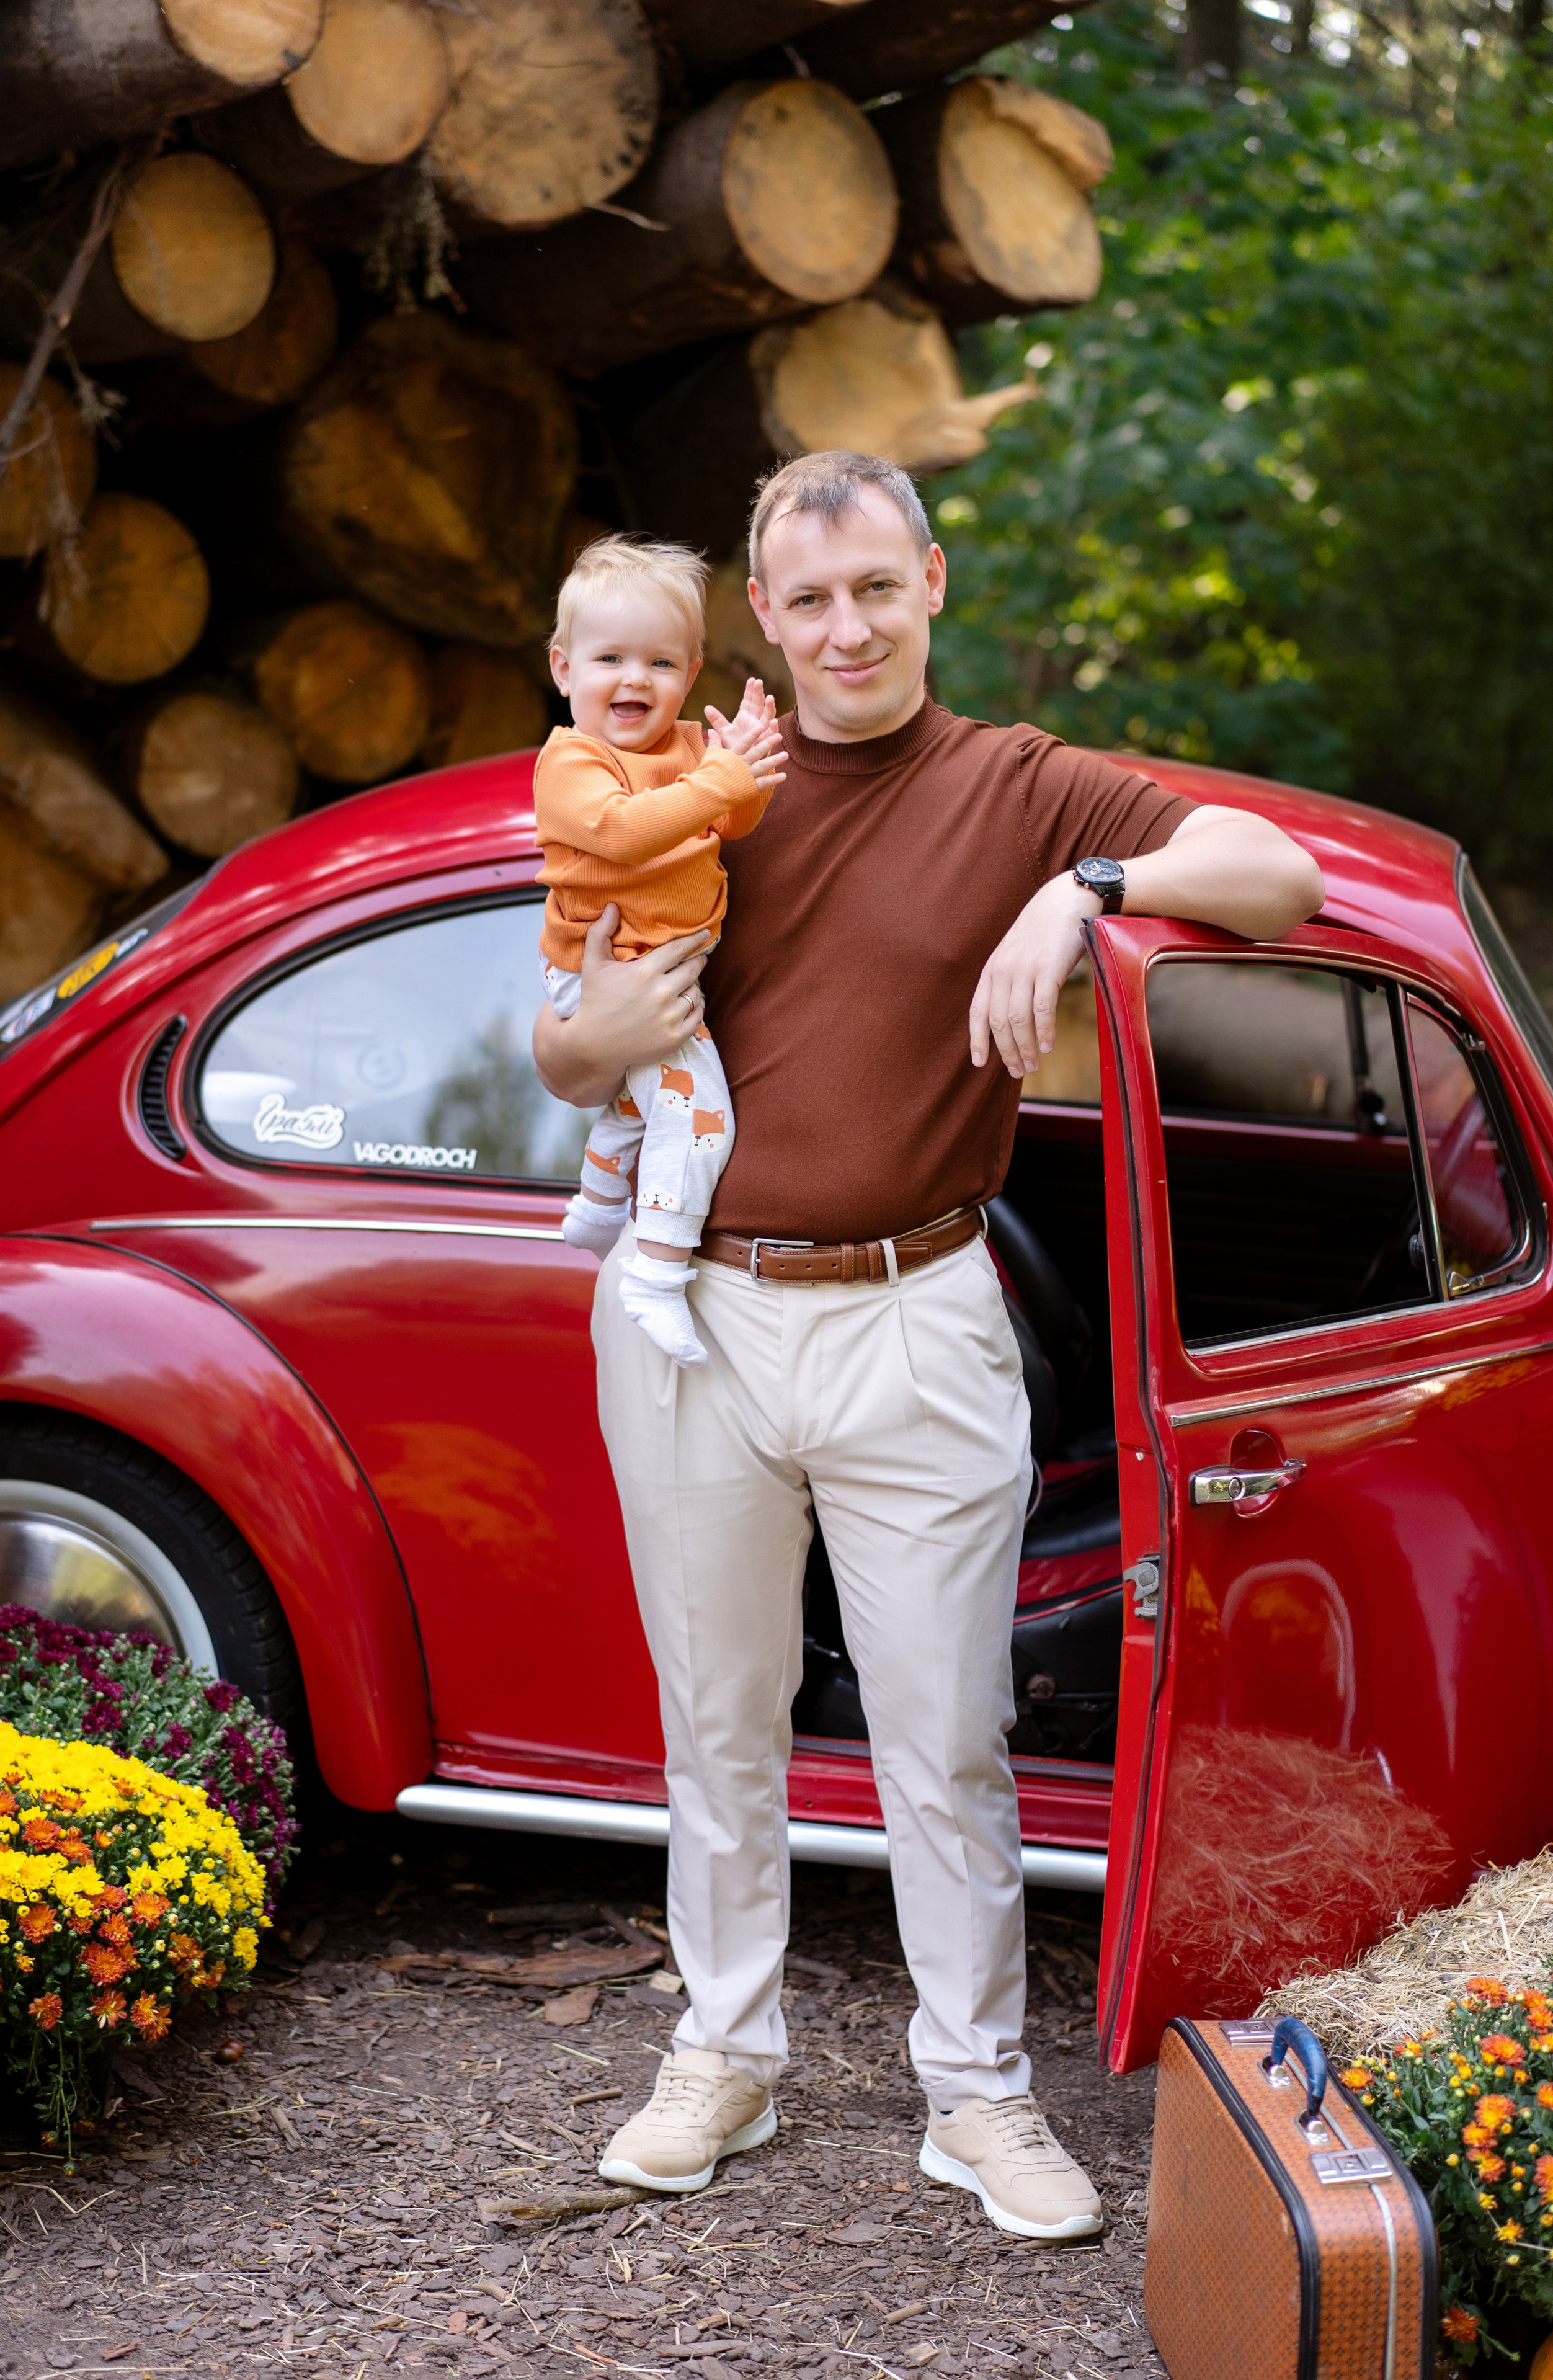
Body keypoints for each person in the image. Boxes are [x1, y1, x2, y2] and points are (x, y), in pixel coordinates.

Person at [533, 450, 1325, 2237]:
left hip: (922, 1308)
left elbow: (1274, 873)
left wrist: (1087, 893)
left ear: (934, 586)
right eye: (808, 599)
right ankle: (722, 2055)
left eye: (876, 588)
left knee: (946, 1737)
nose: (846, 627)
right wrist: (590, 1047)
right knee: (717, 1720)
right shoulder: (685, 776)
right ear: (764, 616)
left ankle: (975, 2098)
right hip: (695, 1312)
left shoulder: (1019, 786)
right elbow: (561, 1037)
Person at [536, 534, 785, 1365]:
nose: (635, 680)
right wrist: (719, 781)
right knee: (702, 1122)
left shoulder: (687, 753)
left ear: (691, 671)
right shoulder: (575, 758)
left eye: (660, 663)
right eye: (610, 658)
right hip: (598, 975)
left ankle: (600, 1203)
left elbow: (727, 820)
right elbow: (625, 834)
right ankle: (655, 1271)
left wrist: (745, 767)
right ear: (564, 669)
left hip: (660, 969)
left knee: (644, 1101)